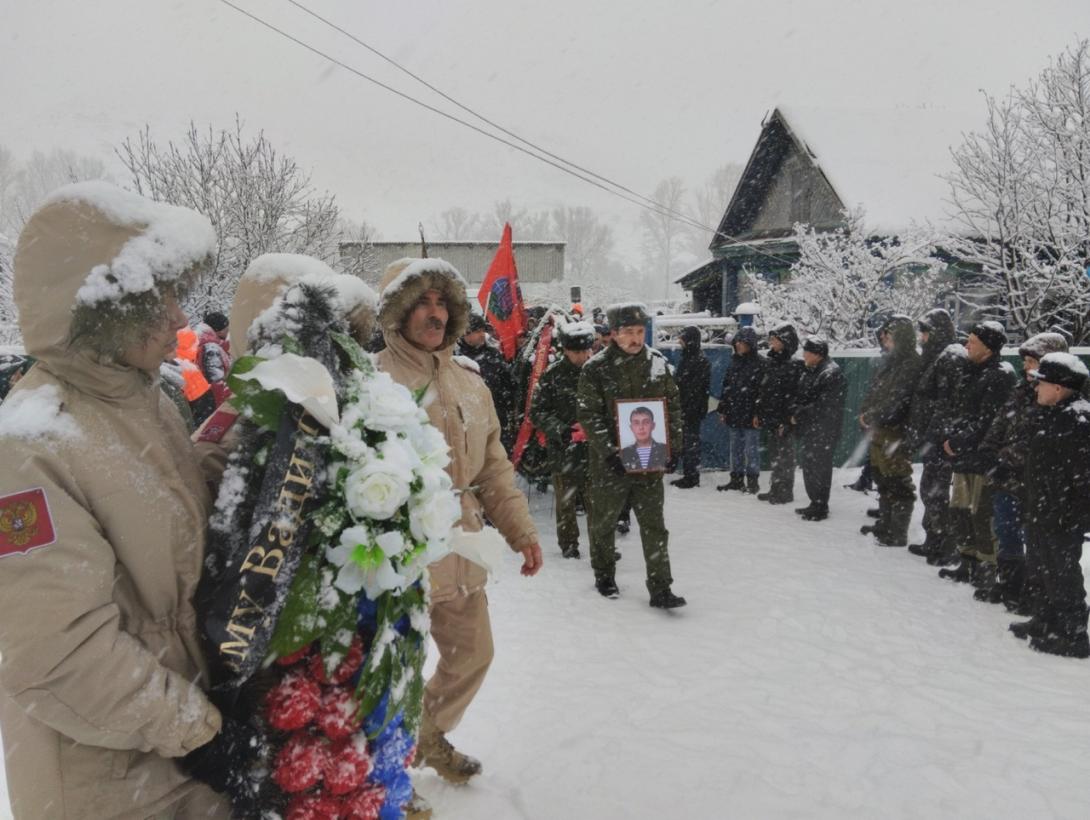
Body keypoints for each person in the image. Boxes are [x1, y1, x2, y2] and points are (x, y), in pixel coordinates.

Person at [0, 182, 243, 819]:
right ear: (99, 310)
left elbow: (182, 505)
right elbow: (56, 657)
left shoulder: (141, 400)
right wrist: (203, 735)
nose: (180, 320)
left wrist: (260, 416)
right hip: (107, 781)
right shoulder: (30, 448)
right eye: (157, 299)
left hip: (169, 747)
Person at [375, 257, 542, 784]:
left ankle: (424, 736)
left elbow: (493, 467)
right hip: (398, 558)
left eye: (442, 302)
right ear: (397, 312)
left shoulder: (471, 383)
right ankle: (385, 777)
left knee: (474, 655)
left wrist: (521, 530)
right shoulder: (373, 381)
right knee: (392, 672)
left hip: (462, 551)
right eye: (421, 302)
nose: (434, 313)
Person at [577, 302, 686, 608]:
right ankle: (604, 575)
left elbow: (673, 407)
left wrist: (673, 446)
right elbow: (589, 414)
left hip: (649, 462)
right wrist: (609, 451)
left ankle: (661, 587)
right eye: (628, 332)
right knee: (603, 522)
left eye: (640, 331)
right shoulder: (596, 368)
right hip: (609, 465)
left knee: (654, 525)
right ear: (613, 334)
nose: (636, 338)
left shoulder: (657, 364)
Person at [976, 332, 1068, 608]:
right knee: (1007, 534)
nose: (1027, 366)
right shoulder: (1021, 391)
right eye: (1026, 361)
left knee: (1035, 542)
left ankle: (1033, 593)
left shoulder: (1058, 398)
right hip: (1007, 479)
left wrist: (1005, 460)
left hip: (1034, 483)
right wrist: (989, 454)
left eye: (1032, 361)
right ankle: (1010, 586)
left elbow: (1036, 442)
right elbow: (1000, 425)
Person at [1009, 352, 1090, 658]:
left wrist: (1071, 514)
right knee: (1041, 568)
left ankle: (1074, 635)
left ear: (1058, 388)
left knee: (1063, 572)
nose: (1035, 388)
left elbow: (1083, 476)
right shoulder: (1049, 413)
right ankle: (1047, 619)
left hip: (1061, 515)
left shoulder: (1079, 421)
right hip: (1040, 508)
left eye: (1041, 383)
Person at [938, 322, 1015, 584]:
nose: (966, 345)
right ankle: (967, 561)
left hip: (983, 459)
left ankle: (987, 567)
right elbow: (959, 410)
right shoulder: (970, 371)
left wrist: (958, 441)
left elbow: (988, 420)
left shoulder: (1000, 376)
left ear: (989, 347)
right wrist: (951, 437)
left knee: (982, 514)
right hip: (963, 457)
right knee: (960, 511)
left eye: (972, 341)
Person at [530, 321, 596, 558]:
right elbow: (536, 412)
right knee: (566, 502)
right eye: (576, 352)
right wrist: (562, 430)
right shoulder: (552, 376)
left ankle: (602, 545)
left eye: (585, 351)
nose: (582, 356)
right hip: (563, 450)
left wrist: (596, 428)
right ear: (566, 350)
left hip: (594, 450)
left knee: (597, 503)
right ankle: (568, 544)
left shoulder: (598, 372)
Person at [858, 315, 922, 546]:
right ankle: (885, 524)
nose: (884, 339)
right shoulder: (892, 362)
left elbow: (898, 399)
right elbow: (877, 392)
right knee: (882, 478)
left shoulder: (911, 364)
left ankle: (897, 532)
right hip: (880, 429)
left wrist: (873, 415)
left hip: (896, 431)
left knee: (898, 480)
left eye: (889, 335)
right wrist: (866, 414)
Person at [906, 309, 961, 561]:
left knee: (935, 491)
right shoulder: (936, 358)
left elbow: (944, 403)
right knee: (930, 489)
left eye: (925, 332)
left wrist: (933, 434)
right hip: (934, 437)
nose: (921, 338)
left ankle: (944, 543)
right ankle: (934, 539)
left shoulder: (948, 359)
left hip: (940, 439)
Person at [791, 336, 847, 521]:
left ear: (817, 354)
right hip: (811, 428)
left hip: (824, 430)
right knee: (809, 466)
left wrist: (800, 412)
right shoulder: (813, 370)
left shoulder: (831, 373)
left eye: (807, 352)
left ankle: (820, 505)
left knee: (820, 468)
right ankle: (814, 502)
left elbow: (825, 405)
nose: (804, 355)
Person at [456, 312, 517, 453]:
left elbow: (509, 382)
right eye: (477, 331)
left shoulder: (493, 354)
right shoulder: (456, 359)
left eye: (483, 330)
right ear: (465, 334)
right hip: (471, 422)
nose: (482, 335)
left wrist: (507, 400)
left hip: (497, 418)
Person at [755, 323, 802, 503]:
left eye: (775, 339)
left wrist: (786, 421)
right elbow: (765, 391)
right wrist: (760, 413)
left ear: (785, 342)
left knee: (785, 457)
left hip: (784, 420)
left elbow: (793, 397)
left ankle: (785, 491)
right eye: (771, 339)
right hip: (771, 418)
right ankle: (776, 488)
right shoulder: (771, 362)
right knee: (775, 457)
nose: (771, 342)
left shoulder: (794, 366)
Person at [716, 326, 765, 493]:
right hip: (734, 412)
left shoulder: (760, 364)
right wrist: (723, 410)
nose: (738, 345)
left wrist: (758, 413)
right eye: (737, 342)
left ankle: (752, 482)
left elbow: (762, 392)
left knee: (751, 450)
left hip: (751, 413)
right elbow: (727, 387)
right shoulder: (734, 363)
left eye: (741, 342)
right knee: (735, 448)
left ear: (750, 344)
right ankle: (736, 479)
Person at [671, 325, 711, 489]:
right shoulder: (690, 358)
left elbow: (695, 388)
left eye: (683, 338)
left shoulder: (697, 360)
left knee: (690, 443)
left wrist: (685, 405)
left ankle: (691, 476)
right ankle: (689, 474)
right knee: (688, 442)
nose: (680, 341)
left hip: (691, 409)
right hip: (688, 408)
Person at [194, 310, 231, 405]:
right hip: (213, 402)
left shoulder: (206, 343)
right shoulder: (211, 349)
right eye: (226, 329)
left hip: (207, 399)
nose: (228, 332)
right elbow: (216, 382)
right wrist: (223, 405)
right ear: (218, 330)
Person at [620, 405, 669, 470]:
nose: (641, 427)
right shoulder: (624, 453)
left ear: (653, 425)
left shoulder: (666, 450)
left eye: (646, 422)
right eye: (636, 423)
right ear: (631, 428)